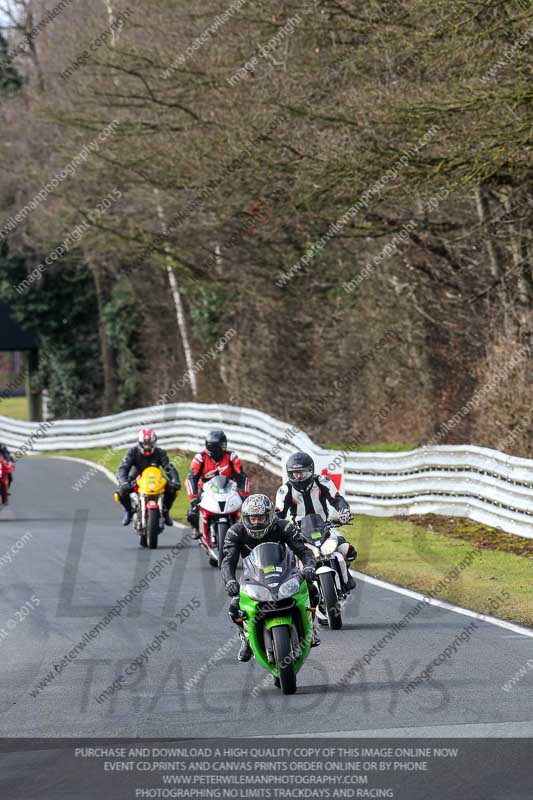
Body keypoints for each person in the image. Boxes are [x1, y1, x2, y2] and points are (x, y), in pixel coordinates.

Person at [221, 493, 320, 662]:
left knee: (312, 589)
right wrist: (230, 580)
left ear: (270, 516)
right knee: (234, 607)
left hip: (285, 572)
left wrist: (309, 565)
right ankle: (245, 637)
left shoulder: (283, 527)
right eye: (252, 519)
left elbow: (303, 550)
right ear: (245, 518)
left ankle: (311, 625)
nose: (257, 522)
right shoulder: (235, 532)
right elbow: (227, 561)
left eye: (261, 518)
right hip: (253, 577)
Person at [275, 451, 357, 590]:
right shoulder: (285, 490)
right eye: (294, 473)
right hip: (298, 531)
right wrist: (280, 528)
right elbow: (279, 513)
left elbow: (336, 499)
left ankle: (344, 576)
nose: (298, 476)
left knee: (347, 549)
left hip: (325, 526)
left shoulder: (322, 481)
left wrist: (344, 511)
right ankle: (296, 591)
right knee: (286, 560)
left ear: (310, 471)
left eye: (302, 472)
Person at [185, 430, 249, 538]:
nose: (225, 447)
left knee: (242, 507)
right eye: (222, 445)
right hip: (205, 488)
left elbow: (241, 477)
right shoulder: (200, 458)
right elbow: (191, 478)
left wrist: (244, 494)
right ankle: (195, 528)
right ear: (214, 447)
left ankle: (241, 529)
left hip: (228, 487)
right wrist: (193, 497)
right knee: (192, 512)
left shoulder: (232, 457)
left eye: (224, 444)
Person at [117, 428, 181, 526]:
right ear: (140, 443)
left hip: (156, 477)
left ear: (154, 443)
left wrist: (175, 480)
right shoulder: (132, 452)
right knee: (120, 492)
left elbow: (169, 467)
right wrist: (124, 482)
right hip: (136, 476)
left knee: (173, 490)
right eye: (145, 444)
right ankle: (128, 512)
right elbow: (123, 468)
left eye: (149, 444)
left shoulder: (160, 452)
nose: (147, 447)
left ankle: (166, 511)